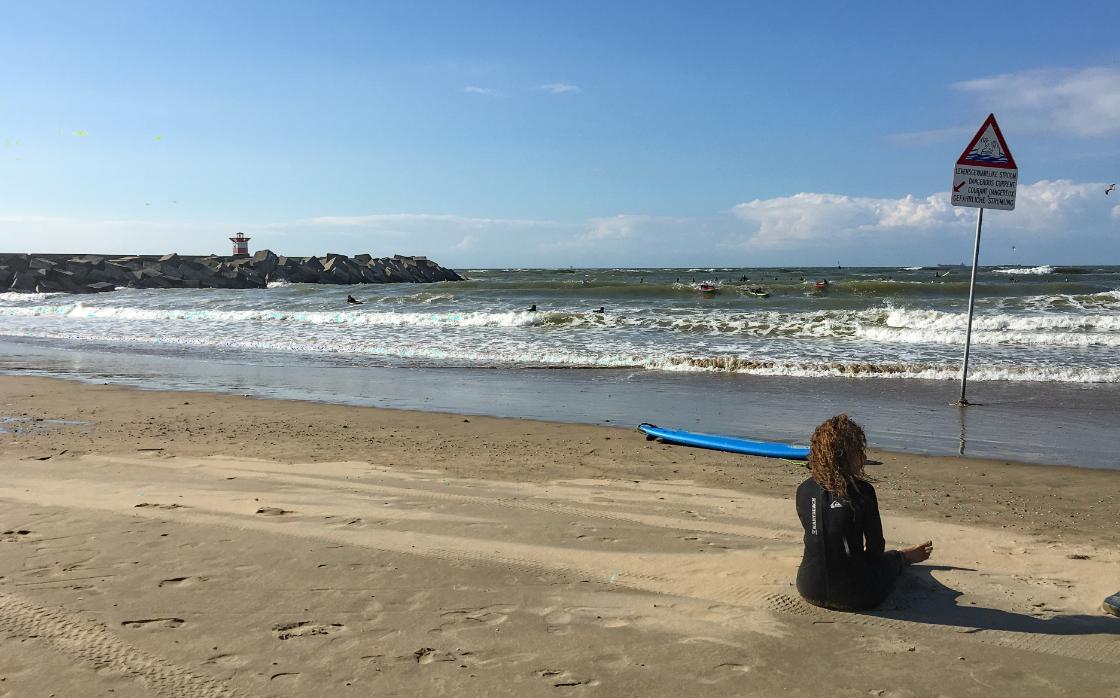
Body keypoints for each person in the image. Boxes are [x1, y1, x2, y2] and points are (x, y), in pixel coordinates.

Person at [795, 414, 932, 611]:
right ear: (844, 456)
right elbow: (876, 549)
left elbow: (817, 533)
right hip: (858, 594)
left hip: (809, 587)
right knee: (887, 563)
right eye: (858, 451)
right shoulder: (863, 491)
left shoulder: (803, 489)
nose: (864, 457)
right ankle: (903, 557)